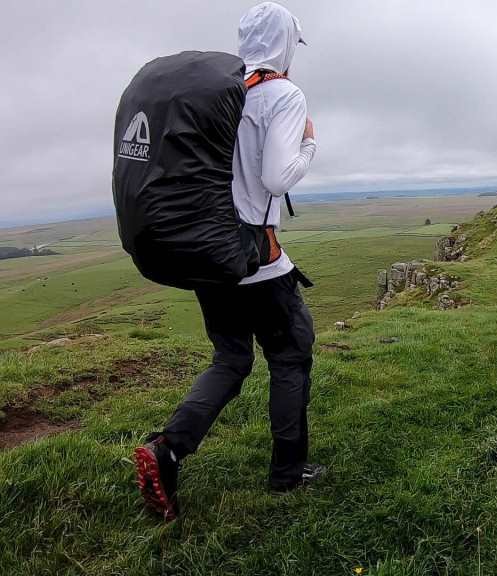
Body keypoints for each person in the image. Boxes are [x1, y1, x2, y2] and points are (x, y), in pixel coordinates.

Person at [133, 2, 322, 521]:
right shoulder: (281, 94)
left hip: (207, 252)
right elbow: (279, 177)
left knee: (231, 359)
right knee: (290, 356)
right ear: (285, 43)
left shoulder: (223, 94)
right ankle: (289, 472)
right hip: (256, 259)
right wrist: (309, 143)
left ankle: (168, 449)